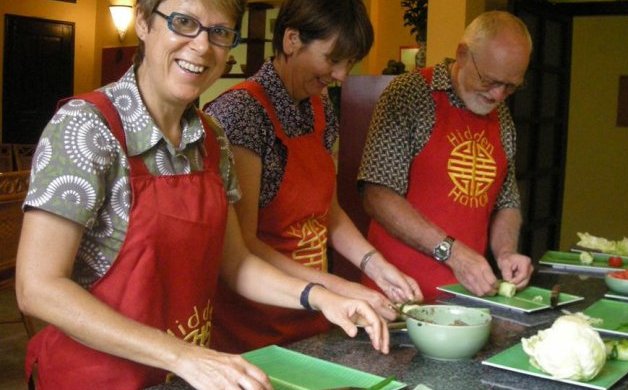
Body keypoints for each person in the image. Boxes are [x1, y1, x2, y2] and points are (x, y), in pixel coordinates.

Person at [14, 1, 388, 389]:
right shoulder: (86, 128)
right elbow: (37, 287)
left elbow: (236, 263)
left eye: (220, 32)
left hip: (180, 377)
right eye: (184, 23)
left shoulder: (211, 139)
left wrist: (322, 297)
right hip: (95, 379)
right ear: (143, 22)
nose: (202, 46)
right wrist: (182, 354)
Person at [204, 0, 422, 353]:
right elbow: (243, 247)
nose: (341, 76)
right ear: (291, 40)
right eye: (333, 59)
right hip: (254, 327)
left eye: (348, 63)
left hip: (313, 319)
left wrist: (376, 265)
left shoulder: (320, 109)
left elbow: (328, 211)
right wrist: (339, 289)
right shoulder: (241, 114)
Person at [358, 11, 535, 302]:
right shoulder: (410, 95)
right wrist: (452, 252)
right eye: (489, 80)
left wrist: (506, 253)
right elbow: (377, 194)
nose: (499, 95)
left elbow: (507, 200)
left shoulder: (501, 116)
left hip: (465, 297)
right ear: (463, 54)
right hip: (396, 294)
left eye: (511, 86)